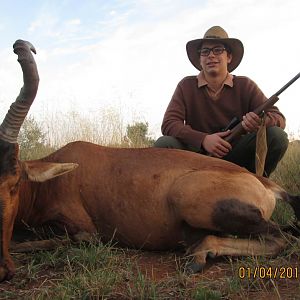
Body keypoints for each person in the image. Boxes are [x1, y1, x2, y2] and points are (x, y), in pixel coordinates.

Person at [154, 25, 288, 177]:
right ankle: (176, 193)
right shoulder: (186, 85)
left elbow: (279, 119)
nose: (211, 55)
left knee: (277, 136)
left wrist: (260, 122)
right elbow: (169, 123)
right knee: (163, 144)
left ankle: (256, 187)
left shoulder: (246, 85)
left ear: (228, 57)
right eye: (205, 51)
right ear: (200, 58)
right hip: (197, 157)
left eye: (218, 50)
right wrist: (203, 139)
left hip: (236, 157)